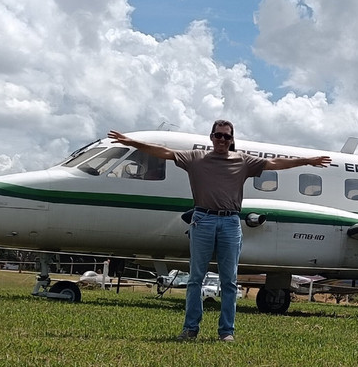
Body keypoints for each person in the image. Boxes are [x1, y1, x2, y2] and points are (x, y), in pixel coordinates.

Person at [108, 121, 331, 342]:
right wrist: (132, 143)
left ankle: (226, 331)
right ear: (211, 137)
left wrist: (307, 161)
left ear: (232, 139)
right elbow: (164, 152)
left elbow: (274, 163)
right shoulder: (195, 158)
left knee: (229, 280)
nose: (222, 140)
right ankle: (190, 328)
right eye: (218, 135)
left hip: (230, 223)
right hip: (202, 220)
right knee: (196, 278)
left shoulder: (242, 161)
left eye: (226, 136)